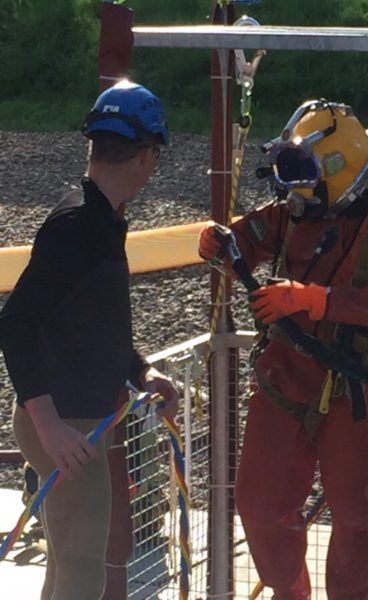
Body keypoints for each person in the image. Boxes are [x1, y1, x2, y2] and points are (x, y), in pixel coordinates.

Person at [198, 99, 368, 600]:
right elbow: (254, 234)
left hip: (355, 385)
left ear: (338, 170)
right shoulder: (296, 210)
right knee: (259, 503)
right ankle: (289, 591)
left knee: (352, 515)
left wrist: (316, 301)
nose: (291, 191)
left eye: (301, 174)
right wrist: (222, 242)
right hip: (286, 373)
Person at [0, 79, 179, 600]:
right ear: (148, 156)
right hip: (68, 424)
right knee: (84, 571)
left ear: (92, 144)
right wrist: (50, 425)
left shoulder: (97, 218)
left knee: (70, 564)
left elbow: (91, 323)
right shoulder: (80, 224)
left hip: (73, 420)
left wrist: (141, 369)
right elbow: (15, 323)